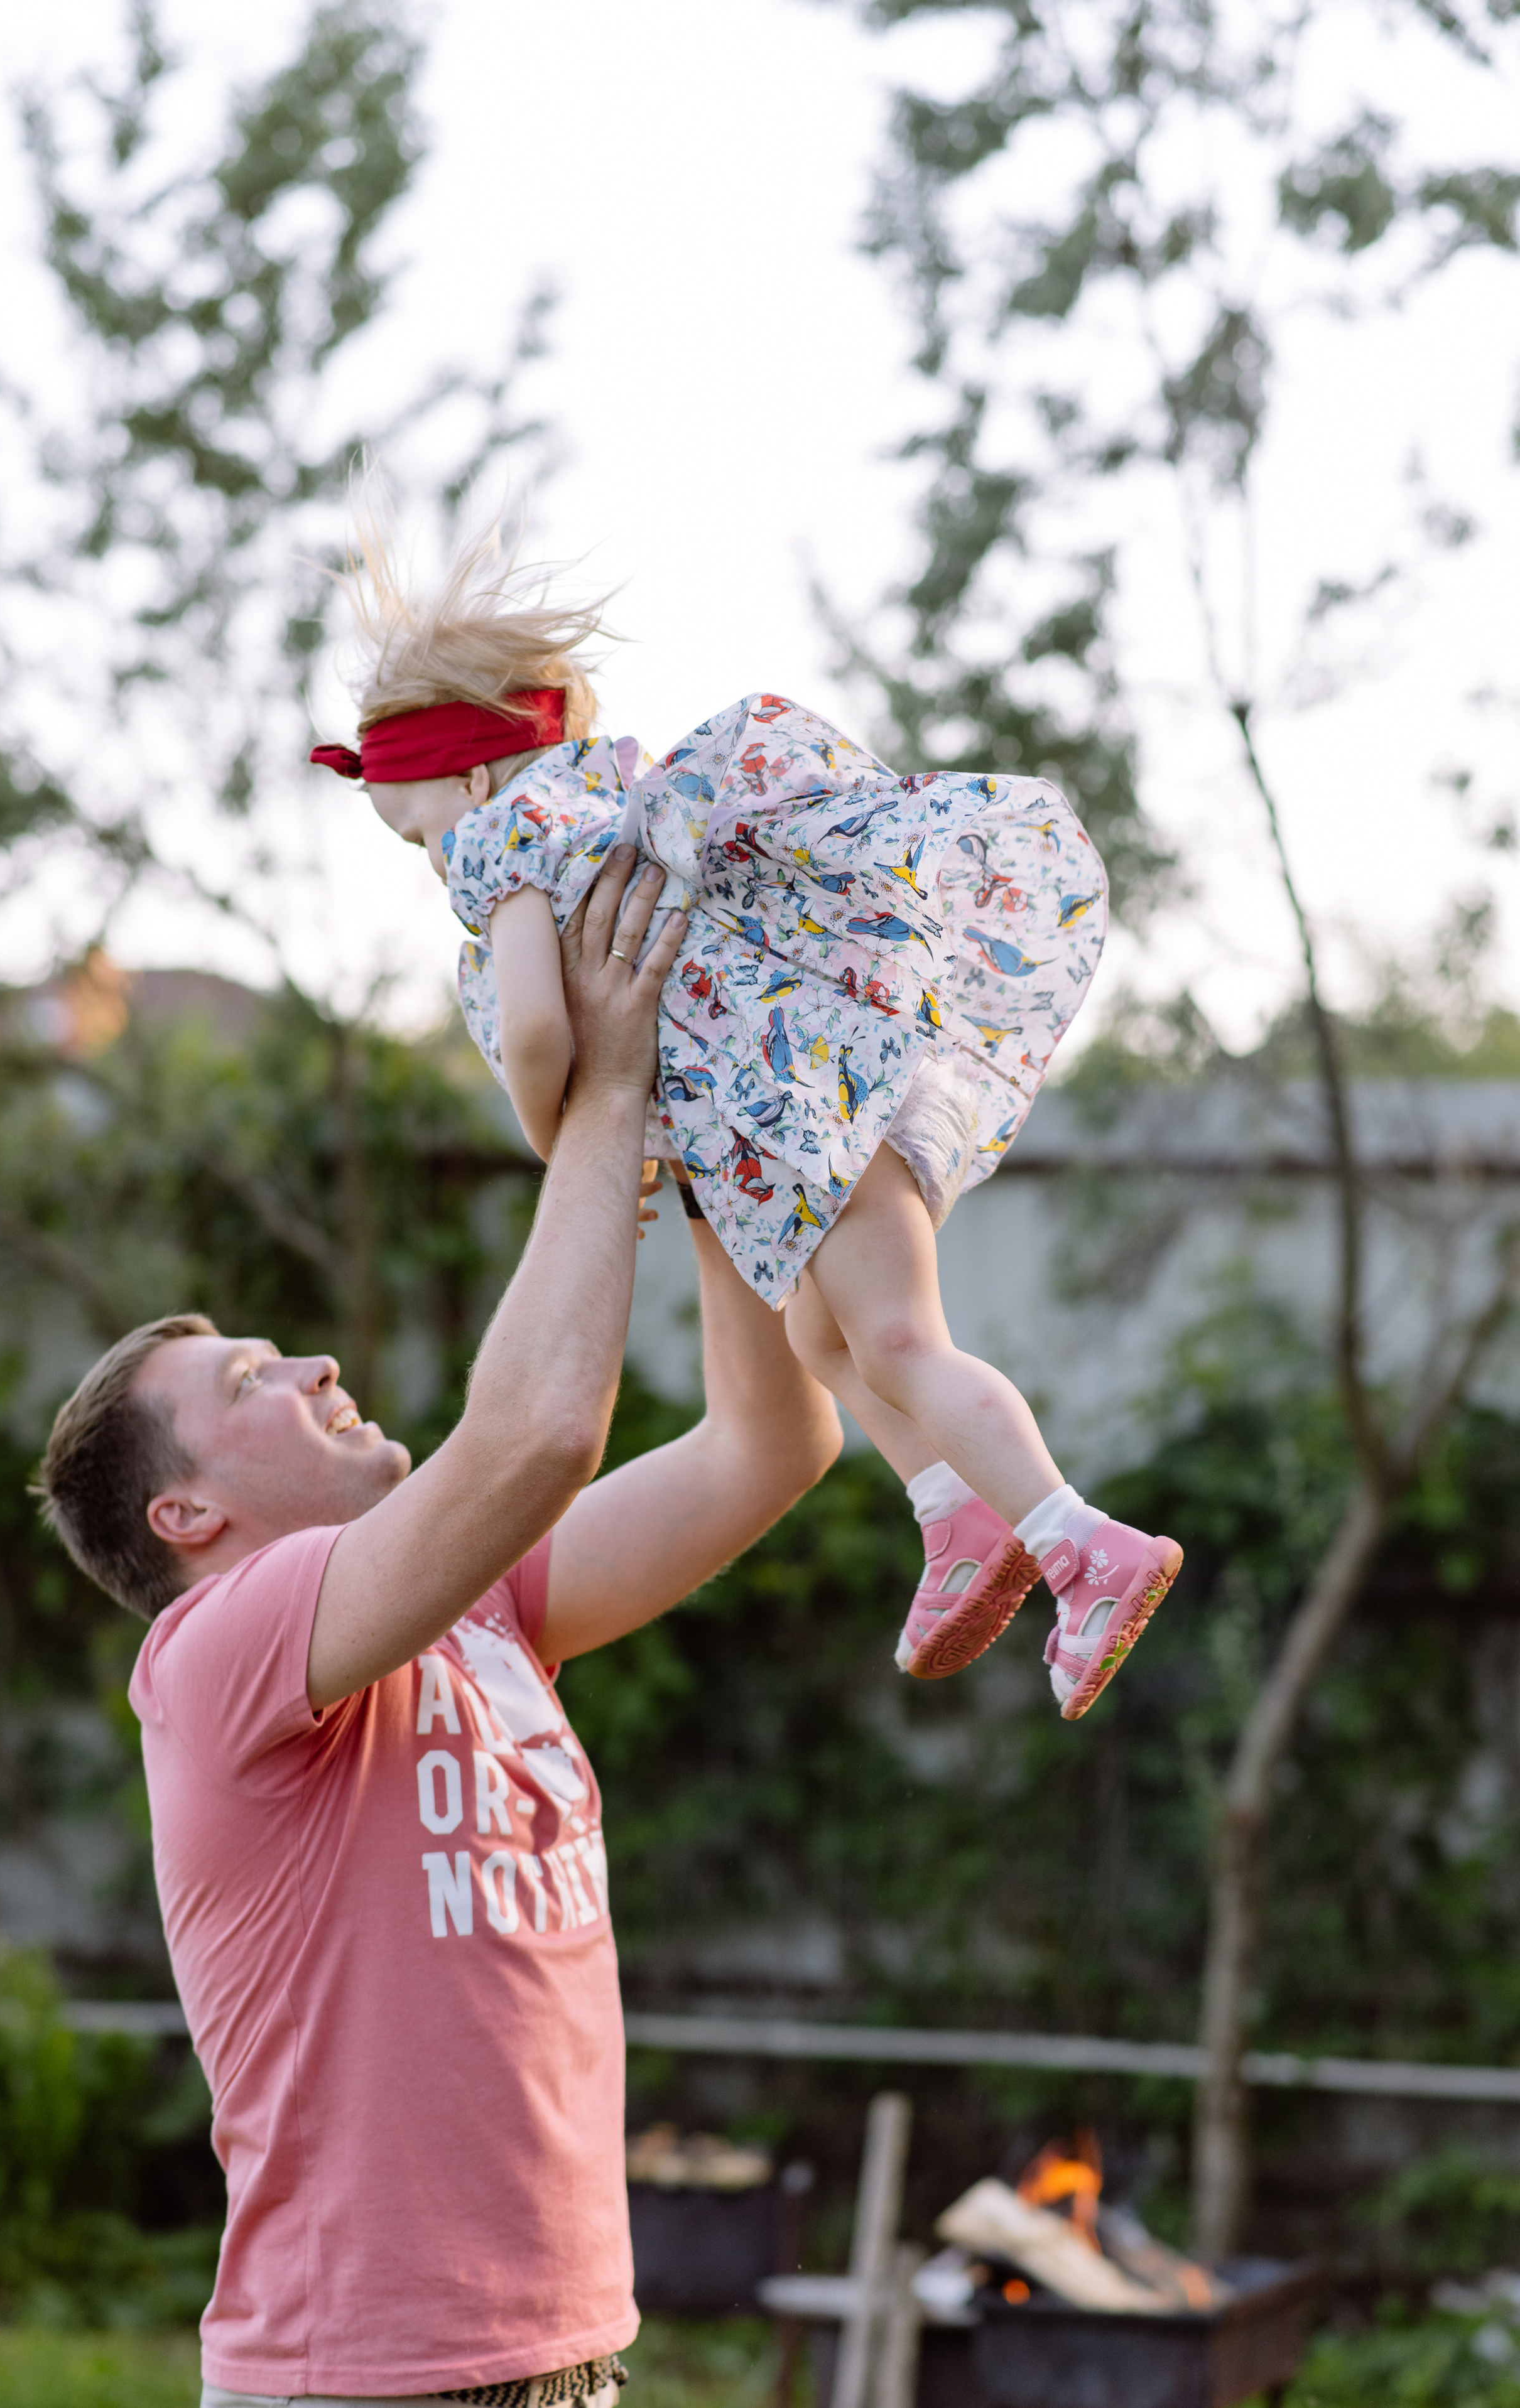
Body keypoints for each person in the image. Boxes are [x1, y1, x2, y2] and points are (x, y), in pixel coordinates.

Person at [33, 846, 843, 2408]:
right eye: (253, 1385)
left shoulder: (477, 1614)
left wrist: (707, 1127)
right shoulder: (215, 1659)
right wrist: (603, 1100)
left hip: (563, 2359)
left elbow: (772, 1443)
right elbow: (537, 1434)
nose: (317, 1366)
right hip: (367, 2381)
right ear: (186, 1515)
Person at [310, 531, 1181, 1719]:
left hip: (818, 1122)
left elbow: (533, 1036)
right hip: (805, 1119)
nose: (430, 863)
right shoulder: (612, 804)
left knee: (897, 1343)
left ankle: (1081, 1545)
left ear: (468, 785)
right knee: (826, 1342)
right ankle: (958, 1514)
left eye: (414, 834)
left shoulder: (509, 848)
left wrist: (563, 1144)